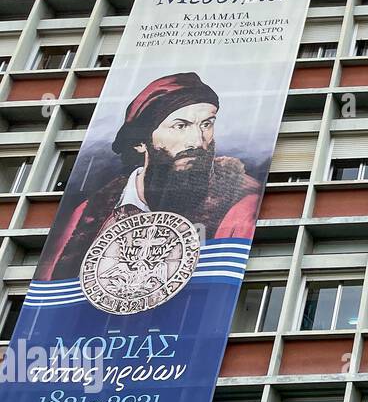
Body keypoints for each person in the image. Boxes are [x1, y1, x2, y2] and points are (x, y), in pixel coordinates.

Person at [37, 72, 259, 279]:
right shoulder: (87, 214)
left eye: (207, 124)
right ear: (140, 142)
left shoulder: (242, 205)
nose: (197, 141)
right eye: (180, 126)